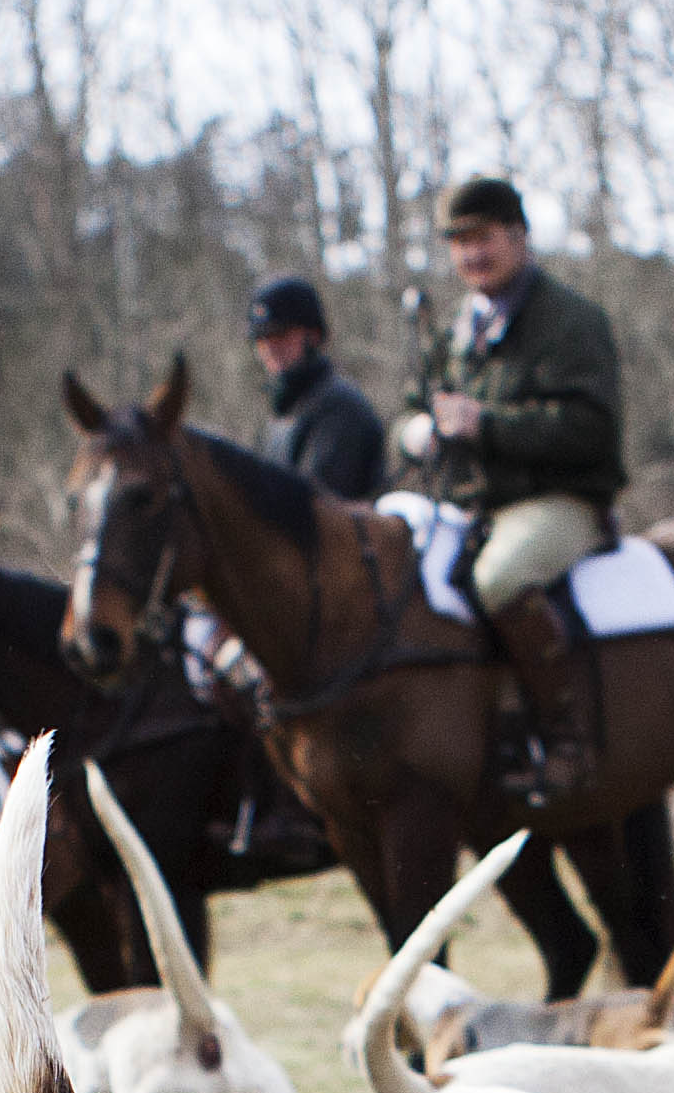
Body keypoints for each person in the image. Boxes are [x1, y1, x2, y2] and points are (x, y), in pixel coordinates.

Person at [396, 175, 624, 812]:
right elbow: (411, 412)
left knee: (498, 579)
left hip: (561, 500)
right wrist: (417, 433)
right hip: (475, 507)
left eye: (484, 238)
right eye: (459, 243)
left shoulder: (571, 321)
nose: (472, 255)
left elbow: (591, 430)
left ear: (519, 237)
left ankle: (569, 740)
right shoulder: (455, 334)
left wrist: (486, 426)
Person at [247, 272, 386, 500]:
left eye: (280, 334)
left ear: (312, 336)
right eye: (261, 339)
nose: (270, 347)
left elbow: (316, 508)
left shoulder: (339, 407)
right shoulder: (283, 410)